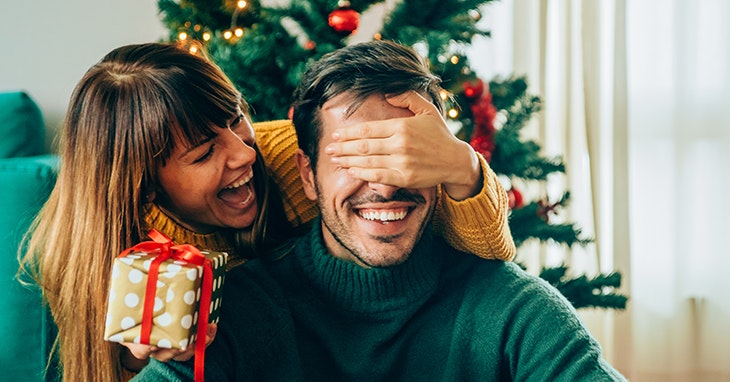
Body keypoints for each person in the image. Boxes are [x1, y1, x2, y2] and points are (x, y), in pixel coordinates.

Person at [19, 42, 514, 382]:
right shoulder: (107, 262)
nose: (243, 155)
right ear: (146, 188)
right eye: (202, 153)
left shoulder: (292, 158)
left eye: (237, 119)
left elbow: (487, 254)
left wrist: (462, 164)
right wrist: (137, 363)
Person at [133, 40, 626, 381]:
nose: (385, 183)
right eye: (355, 158)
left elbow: (491, 235)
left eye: (404, 155)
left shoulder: (515, 312)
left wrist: (462, 163)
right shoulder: (235, 313)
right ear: (307, 173)